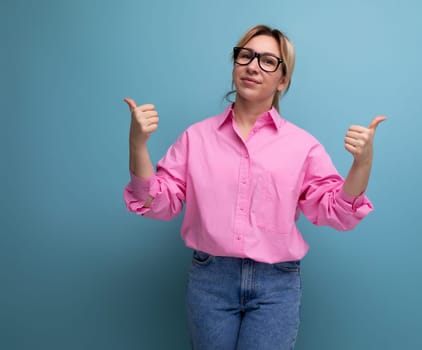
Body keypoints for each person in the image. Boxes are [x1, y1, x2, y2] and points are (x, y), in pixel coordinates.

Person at [123, 24, 385, 350]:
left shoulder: (302, 146)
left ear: (283, 80)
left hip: (277, 284)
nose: (253, 66)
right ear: (235, 65)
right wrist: (138, 144)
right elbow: (157, 202)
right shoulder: (196, 138)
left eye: (268, 61)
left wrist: (362, 164)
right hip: (210, 281)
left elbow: (336, 212)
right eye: (246, 55)